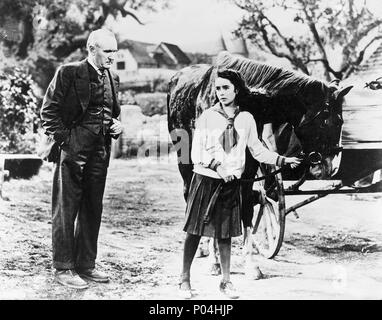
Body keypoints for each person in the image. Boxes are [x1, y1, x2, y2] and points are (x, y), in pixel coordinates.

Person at [179, 69, 301, 299]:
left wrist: (282, 160)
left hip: (230, 184)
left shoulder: (246, 119)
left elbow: (257, 149)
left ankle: (226, 282)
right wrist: (218, 167)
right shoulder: (207, 117)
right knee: (194, 232)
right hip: (206, 181)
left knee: (224, 234)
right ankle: (184, 279)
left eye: (226, 88)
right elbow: (196, 152)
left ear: (237, 90)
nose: (221, 92)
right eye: (218, 88)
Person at [40, 29, 122, 289]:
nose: (112, 56)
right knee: (66, 209)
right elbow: (48, 111)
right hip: (73, 153)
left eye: (114, 51)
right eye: (107, 51)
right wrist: (68, 141)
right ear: (91, 48)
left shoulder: (113, 77)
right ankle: (63, 267)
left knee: (92, 208)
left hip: (100, 153)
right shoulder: (68, 72)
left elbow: (112, 113)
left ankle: (86, 264)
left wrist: (117, 125)